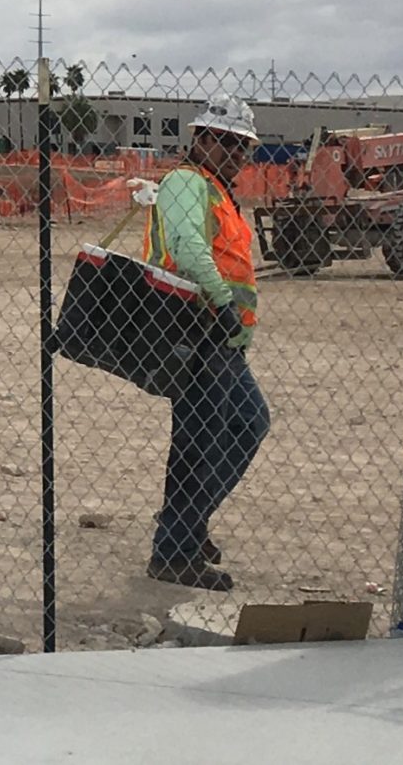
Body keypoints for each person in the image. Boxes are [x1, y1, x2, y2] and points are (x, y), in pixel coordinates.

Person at [142, 97, 271, 590]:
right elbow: (187, 248)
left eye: (243, 146)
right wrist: (221, 301)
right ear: (201, 139)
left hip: (218, 336)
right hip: (196, 329)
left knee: (231, 428)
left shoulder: (214, 189)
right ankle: (175, 549)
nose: (237, 153)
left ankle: (185, 527)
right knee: (204, 440)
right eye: (227, 142)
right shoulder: (186, 182)